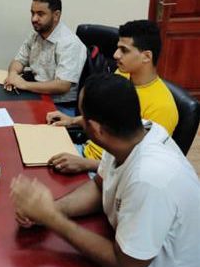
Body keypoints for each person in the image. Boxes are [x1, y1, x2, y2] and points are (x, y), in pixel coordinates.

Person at [11, 73, 200, 267]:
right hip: (123, 243)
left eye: (84, 117)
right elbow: (100, 186)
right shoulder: (128, 132)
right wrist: (51, 209)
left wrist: (52, 219)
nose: (80, 121)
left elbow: (125, 265)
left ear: (96, 129)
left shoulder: (149, 178)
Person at [47, 20, 178, 173]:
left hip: (101, 170)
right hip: (86, 152)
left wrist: (85, 164)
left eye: (124, 50)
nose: (116, 55)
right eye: (117, 48)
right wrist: (72, 120)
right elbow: (107, 120)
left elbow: (140, 166)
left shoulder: (162, 107)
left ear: (146, 57)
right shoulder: (123, 75)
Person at [4, 0, 86, 112]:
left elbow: (62, 86)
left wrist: (24, 85)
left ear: (56, 15)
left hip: (60, 105)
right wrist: (13, 74)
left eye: (40, 14)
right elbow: (18, 60)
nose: (34, 19)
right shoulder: (35, 35)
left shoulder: (69, 43)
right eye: (32, 13)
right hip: (36, 95)